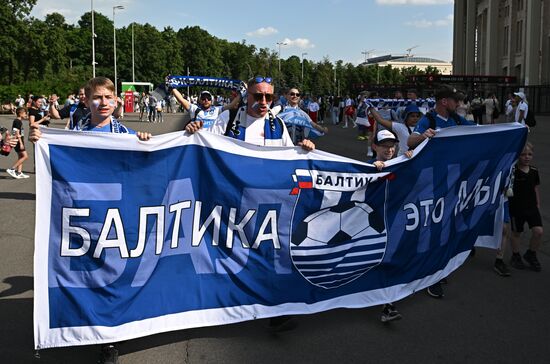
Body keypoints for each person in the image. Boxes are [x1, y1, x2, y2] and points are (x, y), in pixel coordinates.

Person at [29, 76, 151, 364]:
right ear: (86, 100)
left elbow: (147, 171)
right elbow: (54, 172)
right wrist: (40, 142)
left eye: (108, 97)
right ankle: (92, 329)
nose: (103, 103)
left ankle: (110, 339)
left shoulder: (127, 135)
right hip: (86, 218)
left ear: (117, 100)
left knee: (117, 273)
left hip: (119, 217)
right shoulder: (75, 135)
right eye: (97, 98)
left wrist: (146, 143)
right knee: (90, 274)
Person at [407, 85, 475, 298]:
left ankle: (440, 267)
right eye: (455, 100)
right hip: (433, 184)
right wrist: (424, 136)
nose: (458, 104)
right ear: (444, 101)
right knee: (433, 228)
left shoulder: (456, 120)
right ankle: (431, 275)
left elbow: (478, 130)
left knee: (448, 225)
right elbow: (410, 141)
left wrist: (513, 129)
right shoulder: (429, 120)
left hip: (454, 182)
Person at [368, 130, 412, 322]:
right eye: (384, 145)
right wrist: (372, 171)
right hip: (372, 225)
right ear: (375, 147)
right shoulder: (367, 167)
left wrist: (411, 160)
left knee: (389, 260)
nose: (389, 149)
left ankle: (388, 305)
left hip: (394, 221)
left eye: (392, 145)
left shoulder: (400, 163)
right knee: (375, 262)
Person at [508, 142, 543, 272]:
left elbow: (535, 188)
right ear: (518, 156)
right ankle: (516, 256)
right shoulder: (512, 171)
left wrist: (538, 204)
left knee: (538, 231)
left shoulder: (534, 171)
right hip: (517, 208)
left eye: (529, 154)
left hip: (532, 207)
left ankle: (531, 254)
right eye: (523, 155)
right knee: (517, 232)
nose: (527, 157)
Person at [171, 88, 240, 131]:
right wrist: (172, 87)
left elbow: (231, 105)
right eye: (203, 98)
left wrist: (241, 94)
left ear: (211, 100)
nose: (206, 100)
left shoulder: (217, 109)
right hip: (197, 142)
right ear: (200, 100)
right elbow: (181, 100)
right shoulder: (195, 109)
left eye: (208, 98)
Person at [6, 107, 30, 179]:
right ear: (20, 113)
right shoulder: (17, 121)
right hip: (18, 141)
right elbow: (16, 132)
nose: (26, 114)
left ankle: (19, 173)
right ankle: (12, 169)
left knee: (20, 156)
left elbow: (15, 131)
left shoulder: (18, 121)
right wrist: (21, 143)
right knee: (25, 156)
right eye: (25, 113)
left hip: (18, 141)